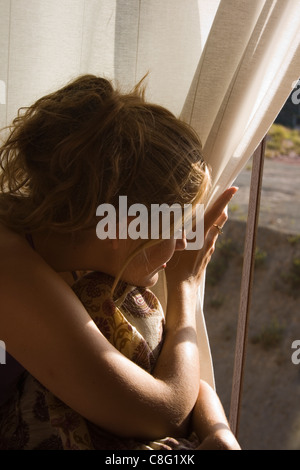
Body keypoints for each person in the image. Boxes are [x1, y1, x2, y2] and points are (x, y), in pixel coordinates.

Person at [0, 74, 240, 450]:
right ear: (123, 226)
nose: (182, 245)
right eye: (174, 228)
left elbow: (185, 383)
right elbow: (162, 411)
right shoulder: (9, 270)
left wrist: (217, 431)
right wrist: (184, 289)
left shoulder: (67, 270)